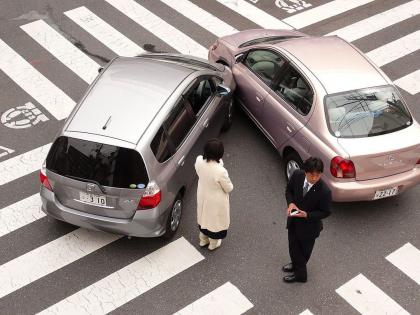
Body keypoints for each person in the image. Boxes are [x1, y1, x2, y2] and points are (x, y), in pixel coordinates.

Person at [283, 157, 331, 283]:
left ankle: (300, 276)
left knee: (304, 252)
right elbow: (289, 191)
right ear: (305, 172)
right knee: (293, 247)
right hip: (294, 221)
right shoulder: (297, 175)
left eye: (318, 175)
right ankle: (295, 264)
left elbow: (326, 212)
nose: (314, 178)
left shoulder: (324, 191)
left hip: (310, 228)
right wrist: (291, 204)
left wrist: (307, 215)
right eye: (311, 175)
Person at [195, 138, 233, 250]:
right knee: (214, 222)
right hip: (215, 200)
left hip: (202, 194)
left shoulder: (198, 161)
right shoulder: (220, 171)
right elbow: (229, 188)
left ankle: (203, 240)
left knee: (203, 218)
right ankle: (213, 244)